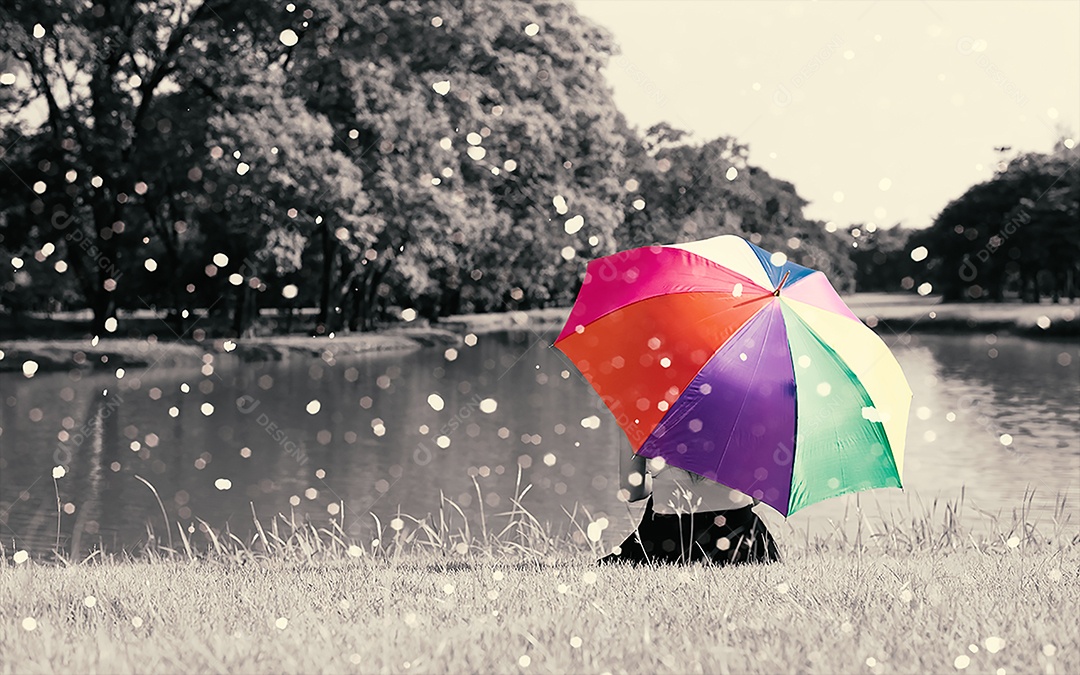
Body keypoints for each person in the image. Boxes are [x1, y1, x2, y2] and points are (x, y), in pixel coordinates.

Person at [598, 451, 781, 566]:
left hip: (668, 537)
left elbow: (632, 492)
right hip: (739, 535)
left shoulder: (640, 412)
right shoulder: (745, 408)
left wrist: (665, 483)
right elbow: (756, 497)